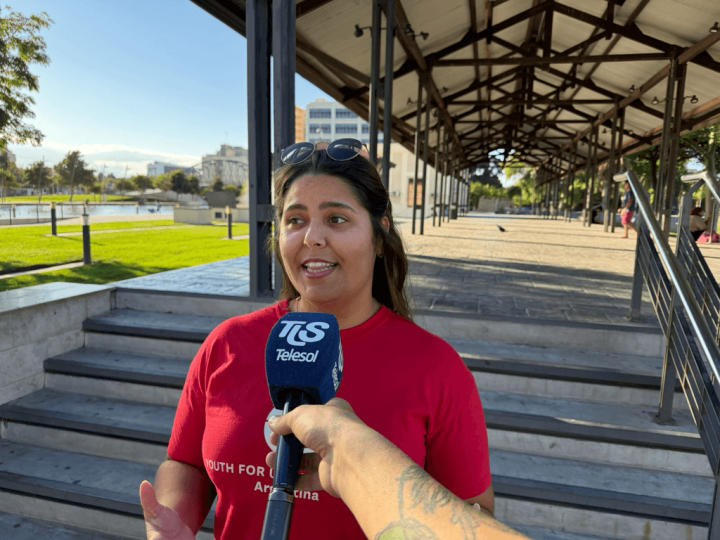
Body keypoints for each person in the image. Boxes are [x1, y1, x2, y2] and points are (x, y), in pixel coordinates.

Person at [139, 138, 494, 539]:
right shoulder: (227, 344)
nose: (312, 237)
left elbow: (475, 512)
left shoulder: (437, 368)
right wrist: (173, 522)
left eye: (336, 218)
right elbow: (186, 463)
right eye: (295, 220)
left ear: (379, 235)